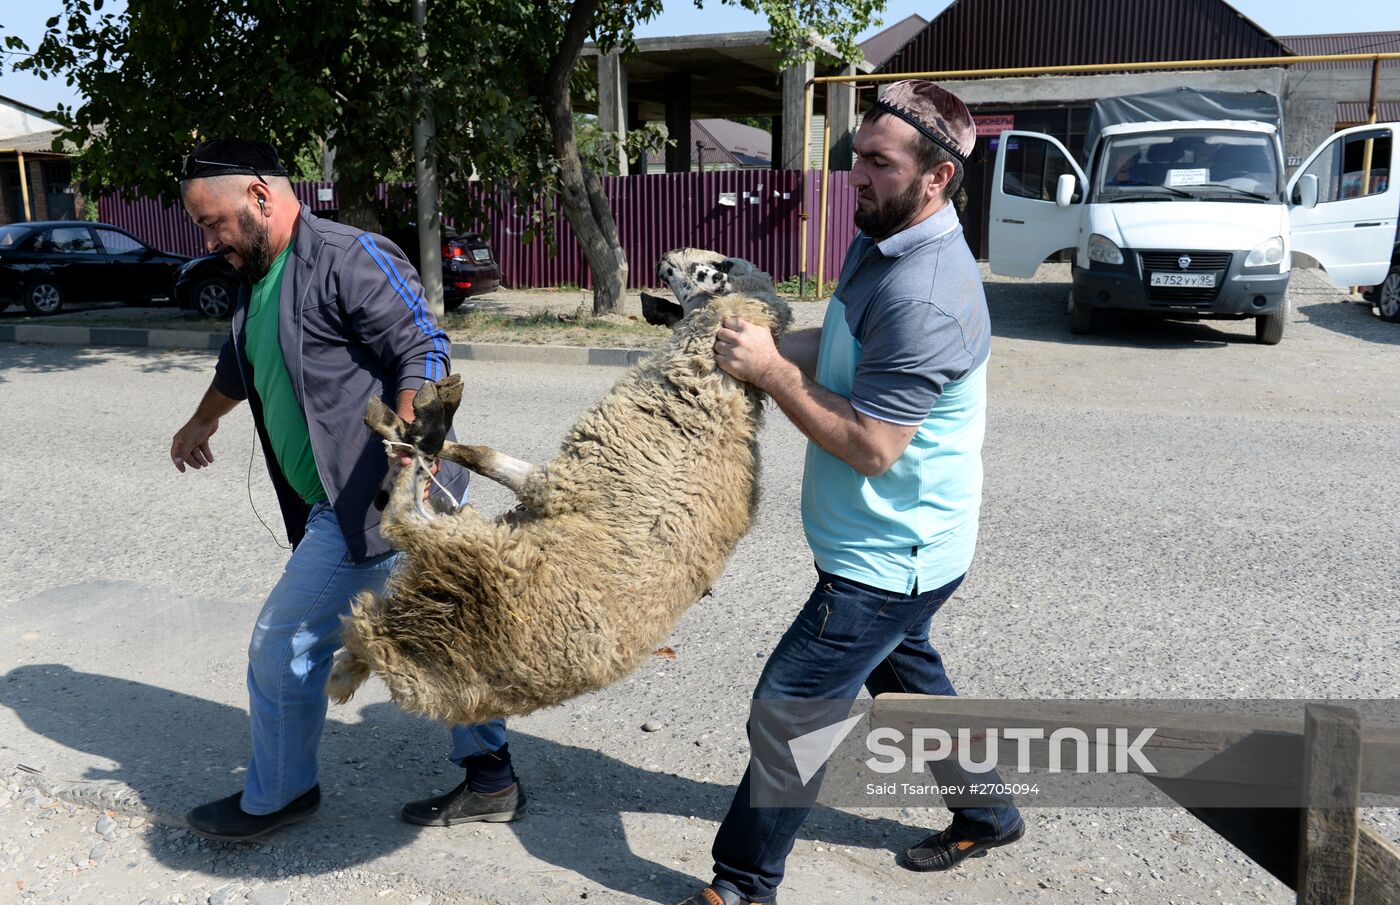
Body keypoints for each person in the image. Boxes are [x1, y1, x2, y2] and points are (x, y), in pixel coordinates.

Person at [678, 81, 1023, 905]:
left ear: (936, 178)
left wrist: (768, 371)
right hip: (904, 544)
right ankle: (990, 811)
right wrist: (751, 346)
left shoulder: (927, 294)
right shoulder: (883, 235)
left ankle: (742, 884)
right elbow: (838, 347)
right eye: (855, 157)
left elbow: (873, 445)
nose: (856, 176)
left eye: (878, 162)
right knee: (910, 686)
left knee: (789, 710)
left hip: (887, 557)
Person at [170, 138, 523, 841]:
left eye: (213, 223)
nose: (207, 240)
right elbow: (241, 365)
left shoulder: (348, 254)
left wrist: (408, 448)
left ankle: (279, 794)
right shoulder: (256, 274)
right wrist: (198, 421)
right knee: (442, 632)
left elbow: (421, 344)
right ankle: (493, 779)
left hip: (375, 499)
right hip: (364, 500)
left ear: (261, 198)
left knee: (284, 640)